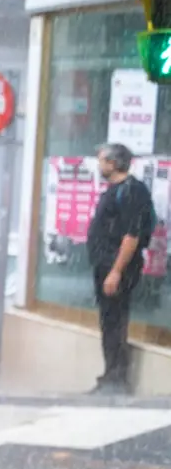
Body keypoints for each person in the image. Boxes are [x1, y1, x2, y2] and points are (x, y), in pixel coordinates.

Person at [87, 143, 157, 394]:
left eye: (102, 160)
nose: (99, 165)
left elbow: (132, 235)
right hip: (105, 265)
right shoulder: (115, 190)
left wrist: (116, 271)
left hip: (117, 267)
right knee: (108, 321)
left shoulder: (131, 192)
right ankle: (109, 374)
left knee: (116, 321)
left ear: (114, 164)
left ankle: (117, 379)